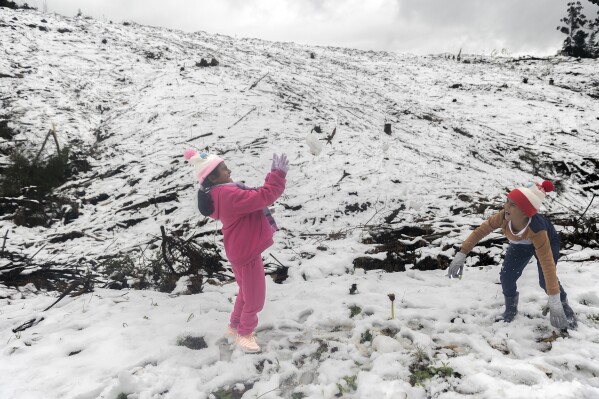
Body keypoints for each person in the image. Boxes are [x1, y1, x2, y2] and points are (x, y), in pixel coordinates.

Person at [184, 149, 288, 353]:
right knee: (255, 296)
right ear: (212, 177)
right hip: (246, 252)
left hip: (239, 250)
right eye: (224, 169)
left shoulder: (218, 193)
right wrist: (278, 175)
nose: (228, 170)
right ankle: (245, 335)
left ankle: (234, 326)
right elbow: (264, 196)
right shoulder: (227, 194)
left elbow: (251, 200)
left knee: (245, 292)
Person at [447, 180, 577, 330]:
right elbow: (480, 231)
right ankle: (511, 308)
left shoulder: (537, 229)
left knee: (544, 280)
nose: (506, 206)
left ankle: (563, 303)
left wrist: (554, 299)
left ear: (525, 212)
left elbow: (547, 264)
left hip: (547, 243)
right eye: (507, 201)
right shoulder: (503, 217)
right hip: (520, 246)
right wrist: (462, 254)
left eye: (513, 205)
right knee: (507, 277)